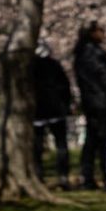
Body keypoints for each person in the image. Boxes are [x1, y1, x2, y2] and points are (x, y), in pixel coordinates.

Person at [71, 22, 106, 190]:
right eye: (101, 30)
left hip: (89, 102)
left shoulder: (80, 54)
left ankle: (87, 177)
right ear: (92, 33)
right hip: (103, 103)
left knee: (91, 140)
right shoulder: (96, 53)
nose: (104, 34)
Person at [30, 44, 74, 185]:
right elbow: (65, 87)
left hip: (37, 112)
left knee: (37, 146)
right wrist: (66, 106)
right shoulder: (55, 66)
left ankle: (38, 175)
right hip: (56, 111)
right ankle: (63, 176)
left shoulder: (30, 67)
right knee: (61, 145)